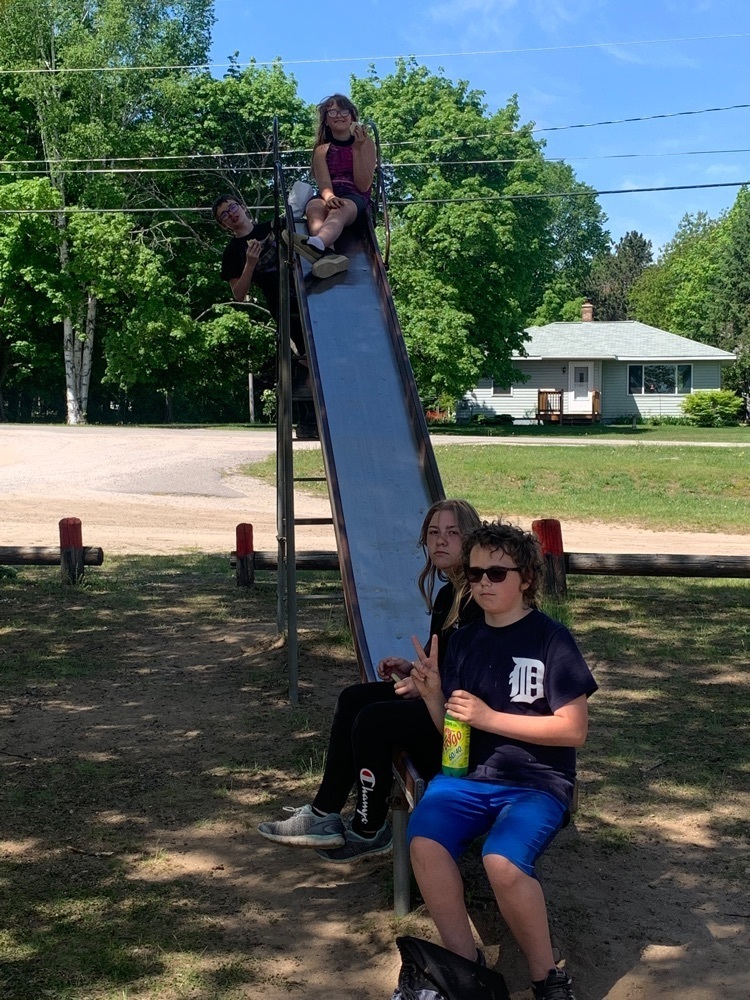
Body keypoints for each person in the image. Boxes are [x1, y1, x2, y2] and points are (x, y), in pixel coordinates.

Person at [407, 521, 598, 1000]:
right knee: (424, 841)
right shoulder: (465, 639)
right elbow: (454, 732)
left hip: (536, 783)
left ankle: (547, 979)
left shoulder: (551, 640)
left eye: (497, 573)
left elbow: (573, 730)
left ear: (526, 578)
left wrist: (490, 718)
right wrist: (434, 698)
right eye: (474, 575)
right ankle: (466, 970)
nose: (483, 583)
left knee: (503, 862)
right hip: (469, 779)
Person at [257, 499, 483, 862]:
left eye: (453, 533)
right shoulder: (447, 593)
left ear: (472, 539)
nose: (441, 541)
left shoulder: (478, 599)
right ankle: (324, 813)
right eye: (433, 533)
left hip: (458, 719)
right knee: (353, 698)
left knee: (373, 720)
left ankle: (369, 828)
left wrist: (428, 685)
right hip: (436, 698)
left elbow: (471, 674)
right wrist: (412, 670)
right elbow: (441, 659)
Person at [211, 193, 318, 440]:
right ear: (223, 224)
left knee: (316, 356)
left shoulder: (272, 226)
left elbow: (301, 202)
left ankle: (311, 417)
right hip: (283, 306)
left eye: (232, 207)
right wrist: (250, 263)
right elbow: (239, 294)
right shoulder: (232, 252)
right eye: (224, 215)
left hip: (311, 293)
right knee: (309, 356)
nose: (231, 214)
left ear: (243, 206)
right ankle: (309, 420)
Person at [284, 93, 376, 280]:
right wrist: (329, 197)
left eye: (343, 111)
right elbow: (324, 182)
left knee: (338, 210)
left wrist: (357, 149)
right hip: (330, 193)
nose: (339, 116)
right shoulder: (321, 150)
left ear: (352, 116)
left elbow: (364, 184)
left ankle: (317, 243)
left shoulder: (365, 143)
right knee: (314, 206)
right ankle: (329, 255)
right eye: (332, 113)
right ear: (325, 121)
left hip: (355, 197)